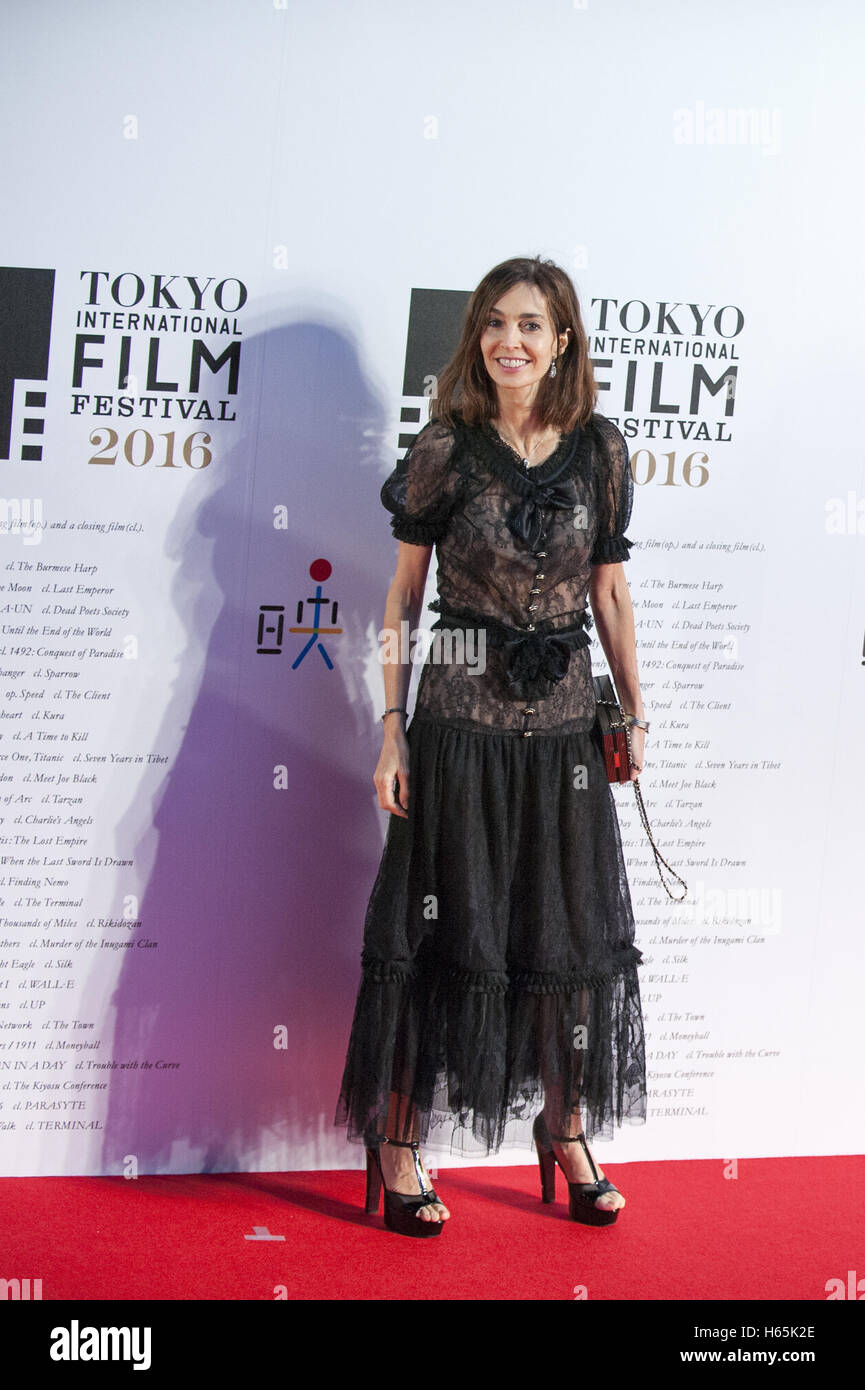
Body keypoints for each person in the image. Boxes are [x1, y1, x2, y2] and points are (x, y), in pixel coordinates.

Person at [335, 255, 648, 1237]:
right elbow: (401, 598)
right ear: (478, 338)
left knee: (564, 934)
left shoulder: (599, 450)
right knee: (438, 934)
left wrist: (631, 711)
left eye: (531, 324)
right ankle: (395, 1147)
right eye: (494, 324)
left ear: (562, 341)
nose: (509, 340)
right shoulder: (446, 448)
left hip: (560, 732)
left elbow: (606, 592)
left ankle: (565, 1132)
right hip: (459, 728)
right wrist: (390, 727)